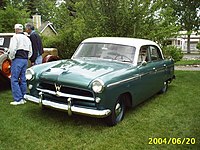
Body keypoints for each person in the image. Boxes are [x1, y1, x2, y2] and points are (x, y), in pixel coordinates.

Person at [9, 24, 32, 105]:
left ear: (15, 29)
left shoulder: (15, 37)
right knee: (23, 79)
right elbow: (30, 51)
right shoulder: (27, 38)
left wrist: (11, 57)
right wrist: (27, 58)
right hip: (25, 59)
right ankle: (24, 97)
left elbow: (12, 49)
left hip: (17, 59)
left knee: (14, 79)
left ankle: (18, 99)